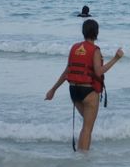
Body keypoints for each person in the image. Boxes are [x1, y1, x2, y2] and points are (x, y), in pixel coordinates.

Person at [45, 19, 124, 151]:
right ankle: (84, 162)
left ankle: (81, 157)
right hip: (88, 91)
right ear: (96, 33)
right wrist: (116, 59)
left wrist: (53, 89)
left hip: (74, 91)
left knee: (86, 126)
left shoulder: (74, 48)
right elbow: (98, 73)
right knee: (88, 128)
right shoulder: (95, 50)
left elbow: (67, 72)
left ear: (83, 32)